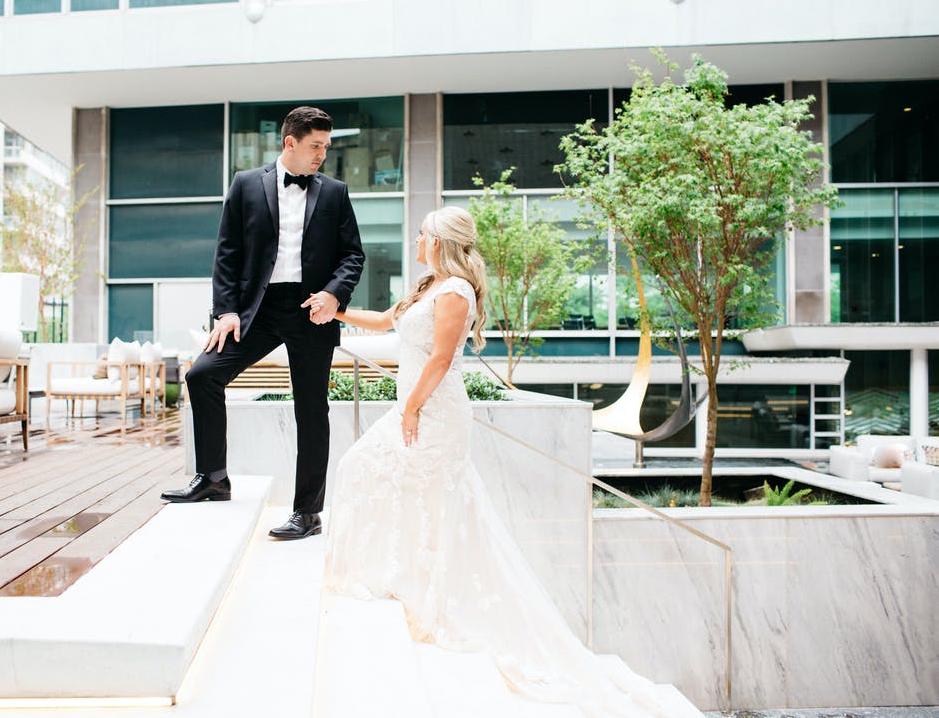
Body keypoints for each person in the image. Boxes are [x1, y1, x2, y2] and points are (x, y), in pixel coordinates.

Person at [324, 206, 701, 716]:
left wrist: (411, 407)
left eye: (421, 234)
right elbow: (386, 324)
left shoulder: (455, 292)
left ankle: (424, 599)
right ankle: (408, 586)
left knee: (419, 494)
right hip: (413, 407)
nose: (415, 239)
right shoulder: (428, 286)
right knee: (370, 473)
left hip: (434, 412)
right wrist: (337, 312)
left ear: (438, 241)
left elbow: (439, 358)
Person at [162, 106, 365, 542]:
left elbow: (353, 255)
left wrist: (333, 294)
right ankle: (214, 477)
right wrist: (227, 311)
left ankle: (308, 513)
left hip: (312, 310)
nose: (321, 156)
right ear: (289, 142)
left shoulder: (335, 192)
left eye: (326, 148)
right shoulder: (245, 185)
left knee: (311, 410)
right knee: (202, 375)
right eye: (315, 146)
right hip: (256, 308)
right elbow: (227, 253)